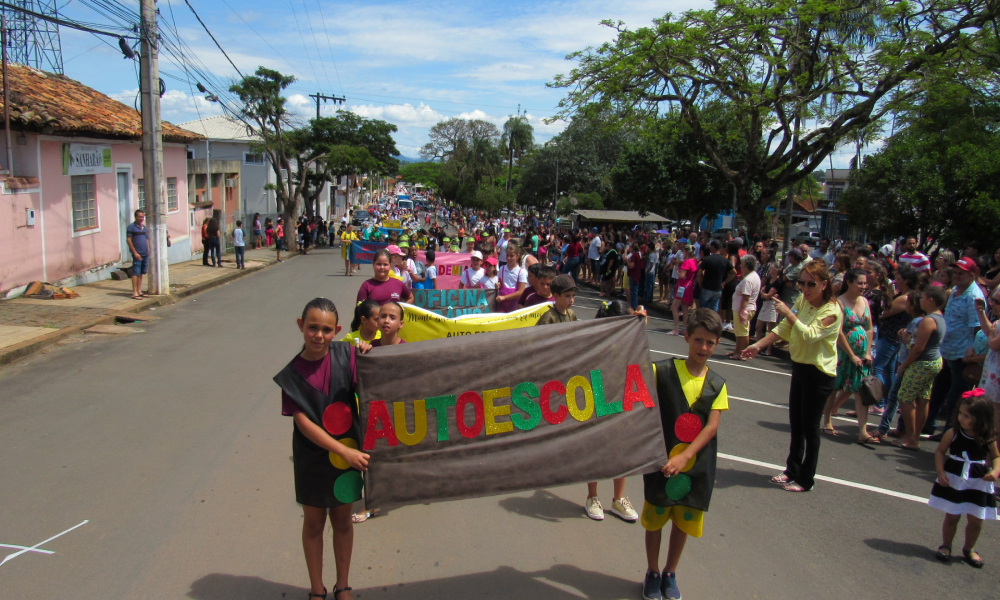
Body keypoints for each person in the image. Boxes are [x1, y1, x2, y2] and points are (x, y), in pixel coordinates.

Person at [273, 298, 370, 600]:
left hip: (348, 456)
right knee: (314, 524)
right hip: (313, 458)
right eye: (313, 327)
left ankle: (343, 585)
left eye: (327, 330)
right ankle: (317, 588)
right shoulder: (292, 375)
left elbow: (377, 386)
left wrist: (369, 355)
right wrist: (344, 453)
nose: (319, 335)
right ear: (301, 325)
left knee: (342, 522)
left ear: (337, 331)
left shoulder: (348, 356)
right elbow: (304, 424)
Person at [641, 308, 728, 600]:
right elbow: (635, 375)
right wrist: (639, 327)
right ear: (686, 337)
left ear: (717, 344)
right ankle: (652, 571)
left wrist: (685, 457)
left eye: (710, 343)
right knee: (656, 516)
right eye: (698, 340)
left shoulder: (718, 384)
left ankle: (670, 572)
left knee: (683, 521)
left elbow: (710, 427)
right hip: (662, 461)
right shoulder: (662, 371)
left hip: (694, 467)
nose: (703, 348)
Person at [743, 260, 842, 492]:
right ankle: (791, 470)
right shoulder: (803, 301)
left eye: (811, 284)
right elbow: (785, 329)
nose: (805, 289)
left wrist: (789, 313)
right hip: (800, 367)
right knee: (796, 424)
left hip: (819, 373)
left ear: (823, 284)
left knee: (810, 427)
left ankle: (806, 479)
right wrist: (758, 345)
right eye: (801, 283)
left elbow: (808, 334)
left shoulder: (832, 310)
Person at [928, 391, 998, 567]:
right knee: (952, 515)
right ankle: (946, 545)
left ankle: (969, 548)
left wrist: (996, 471)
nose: (961, 418)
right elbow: (940, 452)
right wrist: (940, 471)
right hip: (956, 478)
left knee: (976, 520)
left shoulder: (988, 436)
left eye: (966, 415)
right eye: (960, 413)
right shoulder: (953, 433)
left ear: (980, 418)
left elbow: (996, 456)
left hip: (978, 481)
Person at [926, 257, 986, 438]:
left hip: (962, 353)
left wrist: (973, 351)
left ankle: (949, 433)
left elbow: (976, 327)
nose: (957, 276)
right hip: (947, 349)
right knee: (938, 390)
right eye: (956, 272)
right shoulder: (954, 292)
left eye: (962, 273)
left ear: (972, 275)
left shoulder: (973, 296)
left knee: (956, 396)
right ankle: (929, 424)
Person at [821, 268, 876, 442]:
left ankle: (862, 431)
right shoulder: (840, 302)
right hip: (843, 353)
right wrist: (851, 354)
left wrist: (867, 352)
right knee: (834, 387)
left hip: (862, 355)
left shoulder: (865, 302)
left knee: (861, 390)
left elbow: (868, 328)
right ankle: (827, 420)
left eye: (865, 283)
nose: (863, 286)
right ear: (849, 282)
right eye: (860, 283)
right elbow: (838, 331)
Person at [893, 288, 947, 450]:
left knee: (905, 397)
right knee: (923, 398)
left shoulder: (929, 320)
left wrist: (904, 364)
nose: (920, 300)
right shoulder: (940, 317)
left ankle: (911, 437)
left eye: (923, 297)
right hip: (933, 361)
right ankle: (914, 437)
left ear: (930, 300)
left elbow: (917, 348)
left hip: (922, 363)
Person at [729, 254, 761, 360]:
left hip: (744, 308)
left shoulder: (749, 279)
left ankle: (742, 353)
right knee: (738, 331)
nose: (740, 267)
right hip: (741, 307)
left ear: (747, 266)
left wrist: (742, 311)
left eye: (742, 265)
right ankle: (737, 350)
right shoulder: (752, 276)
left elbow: (746, 297)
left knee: (743, 332)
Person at [698, 240, 735, 314]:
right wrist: (724, 282)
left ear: (713, 247)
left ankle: (703, 323)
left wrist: (700, 284)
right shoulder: (725, 260)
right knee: (713, 310)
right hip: (718, 288)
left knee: (703, 310)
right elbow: (734, 272)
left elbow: (699, 273)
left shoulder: (707, 259)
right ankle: (711, 324)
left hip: (707, 287)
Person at [669, 245, 698, 336]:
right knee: (685, 308)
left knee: (674, 307)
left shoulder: (687, 262)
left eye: (684, 252)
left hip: (682, 287)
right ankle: (684, 328)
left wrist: (678, 270)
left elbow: (681, 275)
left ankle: (676, 328)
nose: (683, 254)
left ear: (687, 253)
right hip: (689, 286)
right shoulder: (694, 261)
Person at [755, 262, 783, 356]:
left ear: (776, 270)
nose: (769, 270)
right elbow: (763, 291)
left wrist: (764, 294)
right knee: (758, 326)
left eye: (771, 269)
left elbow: (767, 295)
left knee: (771, 328)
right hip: (765, 304)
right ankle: (759, 347)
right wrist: (764, 294)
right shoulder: (769, 280)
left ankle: (769, 350)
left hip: (772, 305)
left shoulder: (778, 282)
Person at [124, 209, 150, 300]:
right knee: (136, 272)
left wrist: (148, 250)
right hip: (137, 254)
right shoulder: (131, 227)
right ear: (135, 217)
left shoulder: (144, 228)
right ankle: (134, 292)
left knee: (141, 273)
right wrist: (135, 252)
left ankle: (139, 291)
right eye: (139, 217)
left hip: (145, 253)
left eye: (142, 217)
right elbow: (129, 240)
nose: (141, 218)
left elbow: (147, 240)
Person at [497, 243, 528, 312]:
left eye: (512, 256)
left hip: (514, 303)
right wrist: (498, 285)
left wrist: (504, 297)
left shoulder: (521, 272)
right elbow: (501, 284)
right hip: (502, 303)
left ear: (518, 256)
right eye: (507, 255)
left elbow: (520, 291)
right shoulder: (502, 268)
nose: (509, 258)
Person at [626, 242, 645, 310]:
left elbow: (631, 266)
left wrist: (627, 261)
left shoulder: (634, 255)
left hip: (634, 275)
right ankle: (634, 305)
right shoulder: (638, 254)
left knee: (633, 291)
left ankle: (634, 306)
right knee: (634, 291)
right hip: (636, 274)